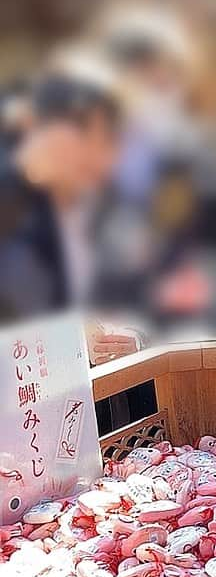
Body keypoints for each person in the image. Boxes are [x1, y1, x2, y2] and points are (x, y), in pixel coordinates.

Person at [0, 73, 142, 363]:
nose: (103, 159)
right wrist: (71, 349)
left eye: (107, 143)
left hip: (107, 396)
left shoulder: (105, 208)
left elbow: (141, 299)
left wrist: (135, 339)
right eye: (90, 141)